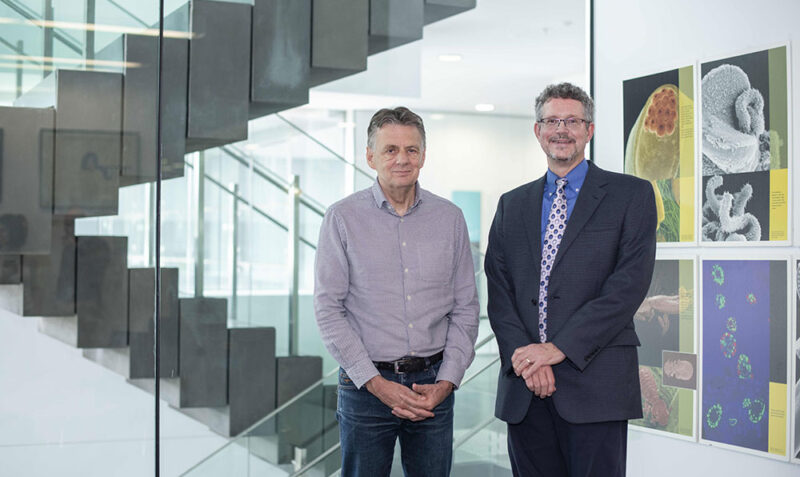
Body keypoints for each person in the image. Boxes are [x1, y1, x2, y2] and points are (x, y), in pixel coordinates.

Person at [484, 83, 657, 477]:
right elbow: (499, 289)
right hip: (525, 389)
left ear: (589, 130)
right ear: (538, 130)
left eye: (572, 121)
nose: (561, 130)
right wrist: (529, 359)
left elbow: (627, 287)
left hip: (595, 386)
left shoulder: (630, 195)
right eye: (551, 121)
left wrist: (556, 349)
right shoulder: (512, 204)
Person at [314, 106, 479, 477]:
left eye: (411, 149)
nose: (402, 159)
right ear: (370, 156)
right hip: (365, 388)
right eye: (390, 150)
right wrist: (376, 384)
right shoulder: (342, 218)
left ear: (423, 155)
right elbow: (328, 309)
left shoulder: (450, 218)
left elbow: (466, 308)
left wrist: (447, 382)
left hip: (433, 387)